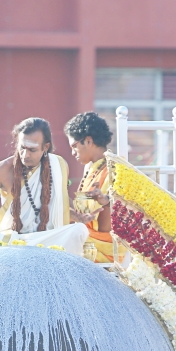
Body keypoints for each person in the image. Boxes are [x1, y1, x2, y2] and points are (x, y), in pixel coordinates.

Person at [65, 112, 118, 263]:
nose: (72, 152)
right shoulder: (91, 168)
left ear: (88, 141)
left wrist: (104, 202)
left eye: (74, 146)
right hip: (85, 239)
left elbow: (108, 226)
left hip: (101, 250)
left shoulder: (113, 169)